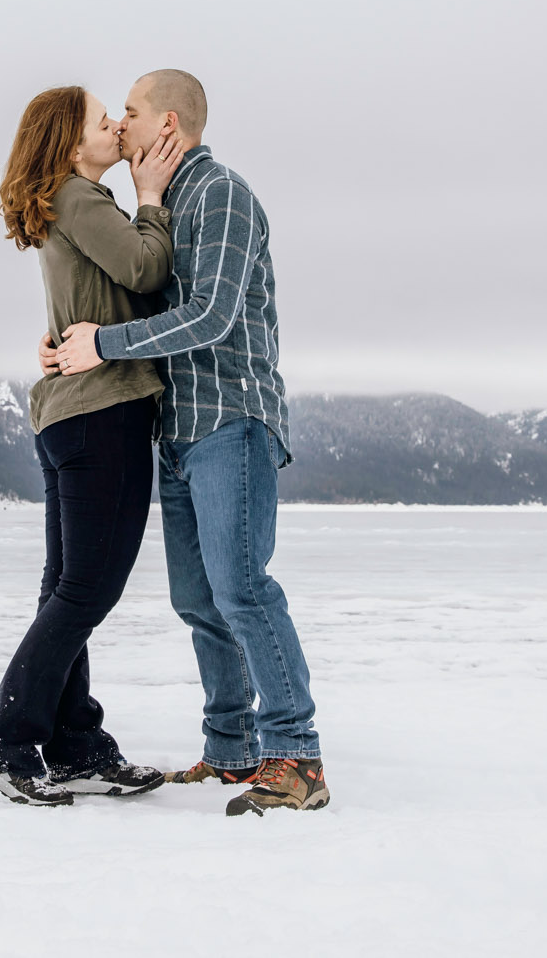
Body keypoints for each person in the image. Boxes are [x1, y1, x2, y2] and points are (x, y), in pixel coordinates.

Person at [49, 69, 329, 816]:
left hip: (231, 416)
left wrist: (104, 341)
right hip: (178, 427)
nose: (121, 126)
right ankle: (233, 747)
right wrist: (69, 340)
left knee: (242, 587)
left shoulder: (223, 194)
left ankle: (296, 752)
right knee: (197, 597)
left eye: (130, 113)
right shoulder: (163, 207)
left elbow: (211, 316)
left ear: (167, 125)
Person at [0, 84, 186, 807]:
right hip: (102, 414)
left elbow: (95, 299)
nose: (117, 124)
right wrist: (151, 195)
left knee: (68, 585)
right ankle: (9, 732)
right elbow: (148, 271)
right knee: (89, 587)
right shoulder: (83, 198)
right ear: (68, 143)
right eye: (101, 119)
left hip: (69, 416)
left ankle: (74, 739)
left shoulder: (66, 204)